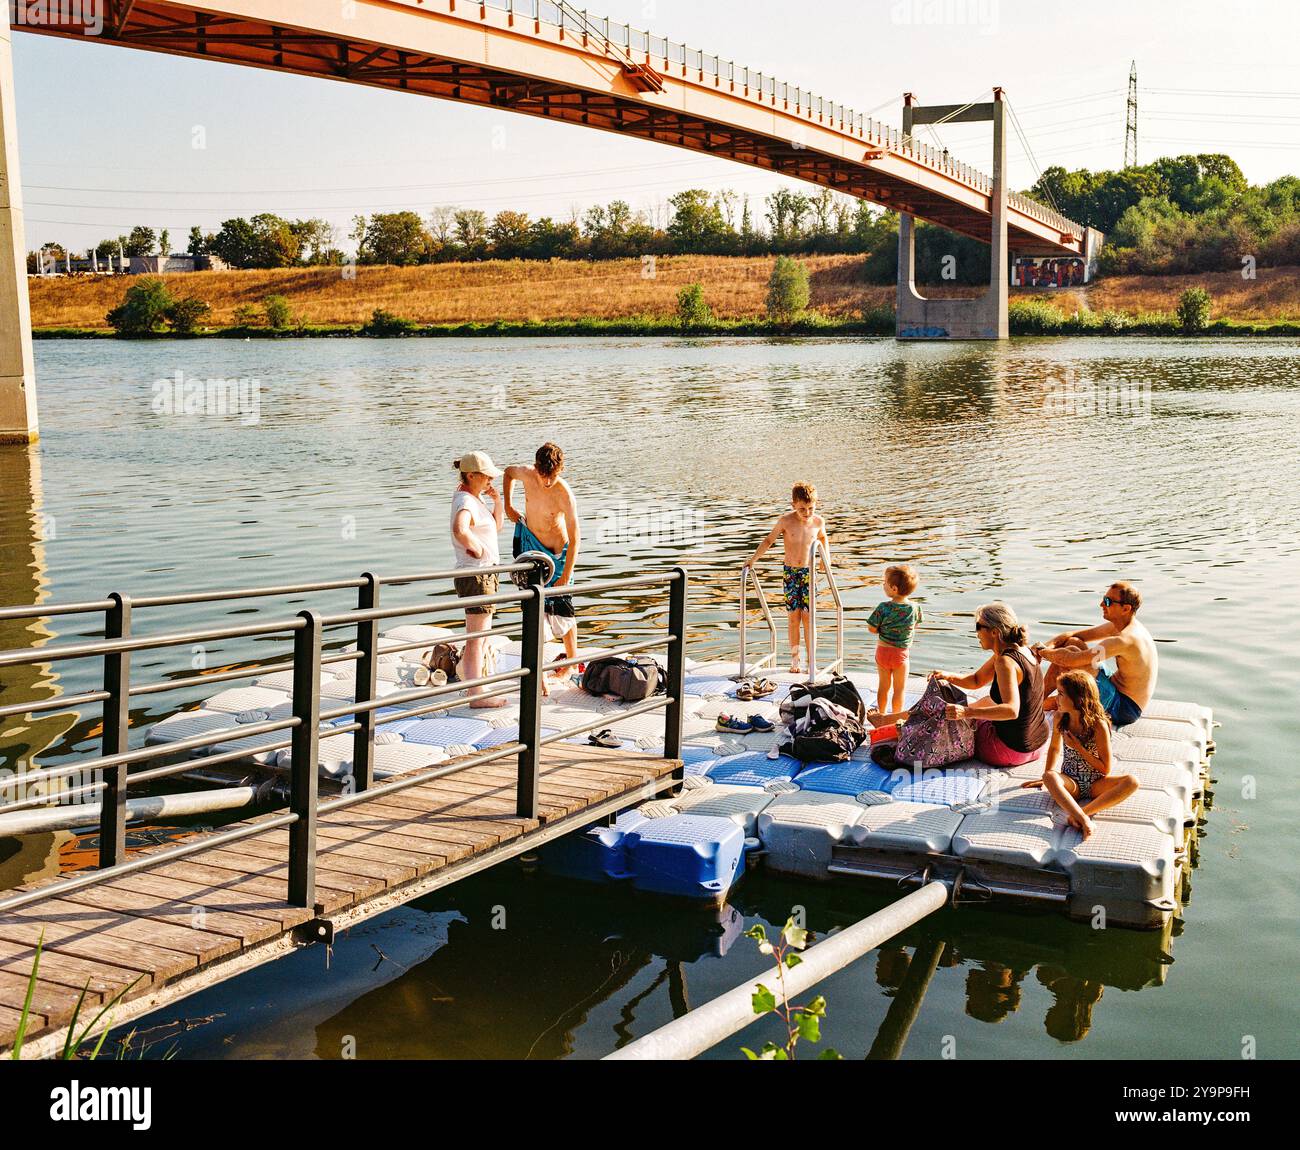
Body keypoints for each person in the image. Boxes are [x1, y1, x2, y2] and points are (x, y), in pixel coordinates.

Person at [929, 601, 1049, 768]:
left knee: (950, 722)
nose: (976, 632)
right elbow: (976, 680)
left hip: (1009, 751)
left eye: (979, 626)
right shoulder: (1022, 650)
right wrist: (948, 676)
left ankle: (900, 731)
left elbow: (1011, 710)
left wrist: (966, 712)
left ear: (995, 632)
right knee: (986, 701)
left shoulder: (1005, 662)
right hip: (1037, 745)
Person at [502, 443, 581, 692]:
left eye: (553, 476)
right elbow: (507, 472)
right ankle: (538, 669)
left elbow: (576, 535)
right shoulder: (525, 473)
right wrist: (508, 505)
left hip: (558, 554)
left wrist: (566, 573)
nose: (548, 482)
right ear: (536, 468)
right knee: (535, 606)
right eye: (544, 476)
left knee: (563, 607)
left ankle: (572, 661)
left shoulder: (563, 492)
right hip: (532, 546)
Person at [1024, 669, 1138, 839]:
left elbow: (1105, 768)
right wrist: (1047, 776)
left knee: (1132, 782)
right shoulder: (1060, 717)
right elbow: (1054, 748)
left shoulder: (1098, 724)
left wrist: (1078, 747)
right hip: (1071, 783)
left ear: (1077, 698)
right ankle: (1083, 818)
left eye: (1061, 694)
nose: (1056, 698)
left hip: (1096, 783)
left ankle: (1081, 814)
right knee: (1049, 776)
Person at [1033, 580, 1157, 728]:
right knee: (1074, 642)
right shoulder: (1121, 625)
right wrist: (1043, 649)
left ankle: (1036, 705)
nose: (1101, 604)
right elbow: (1072, 634)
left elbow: (1070, 660)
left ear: (1126, 609)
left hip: (1123, 709)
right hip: (1115, 688)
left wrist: (1042, 651)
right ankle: (1038, 701)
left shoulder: (1124, 639)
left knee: (1071, 656)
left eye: (1108, 601)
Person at [748, 481, 831, 675]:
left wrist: (825, 559)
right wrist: (752, 560)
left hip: (809, 574)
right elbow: (769, 540)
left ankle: (812, 662)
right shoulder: (786, 521)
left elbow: (823, 538)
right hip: (791, 574)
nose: (807, 512)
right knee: (794, 618)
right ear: (793, 504)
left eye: (811, 508)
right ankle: (795, 659)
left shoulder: (818, 521)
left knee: (809, 619)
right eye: (802, 508)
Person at [450, 450, 507, 709]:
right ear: (471, 475)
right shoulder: (466, 500)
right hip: (477, 574)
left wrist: (498, 502)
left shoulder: (474, 498)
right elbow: (459, 529)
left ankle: (475, 681)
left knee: (482, 636)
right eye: (486, 477)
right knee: (476, 637)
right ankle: (477, 695)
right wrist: (476, 548)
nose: (490, 482)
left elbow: (496, 528)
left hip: (484, 574)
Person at [867, 564, 922, 716]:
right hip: (901, 655)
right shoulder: (915, 608)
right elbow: (914, 625)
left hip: (883, 652)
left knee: (883, 686)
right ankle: (896, 717)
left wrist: (881, 629)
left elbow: (871, 628)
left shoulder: (883, 607)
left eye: (885, 582)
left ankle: (882, 714)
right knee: (899, 689)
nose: (883, 584)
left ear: (894, 589)